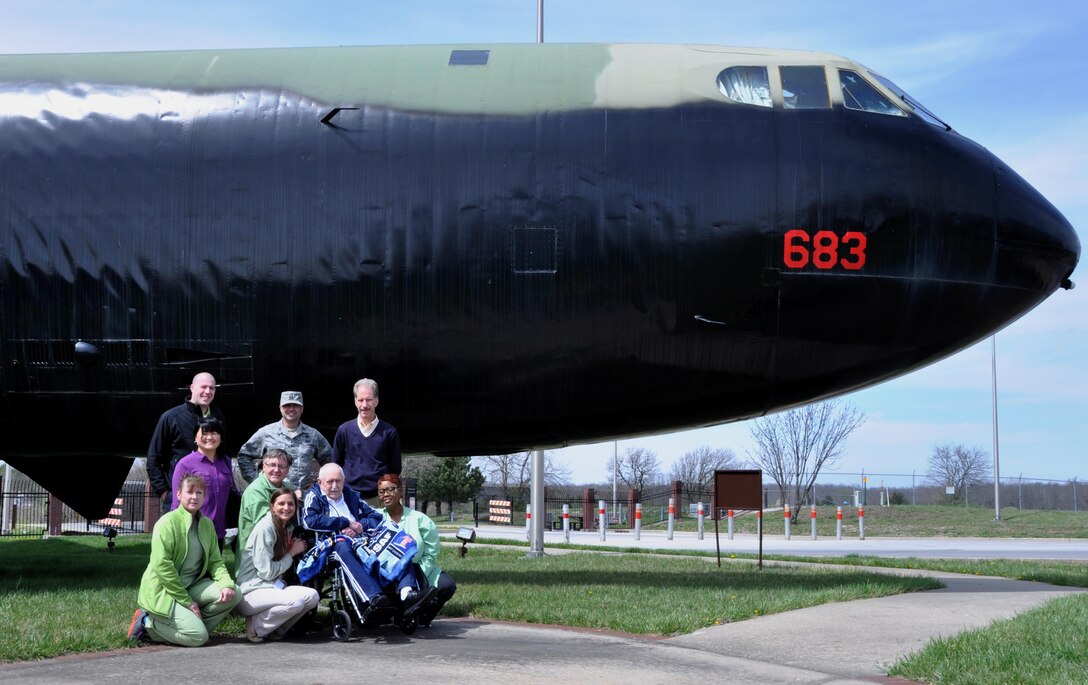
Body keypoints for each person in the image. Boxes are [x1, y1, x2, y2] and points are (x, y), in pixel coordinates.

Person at [127, 473, 240, 647]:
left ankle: (194, 626)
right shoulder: (167, 523)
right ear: (179, 495)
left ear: (204, 496)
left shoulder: (207, 525)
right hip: (164, 590)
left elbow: (215, 561)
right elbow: (162, 566)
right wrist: (188, 602)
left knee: (234, 593)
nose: (194, 496)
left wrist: (226, 583)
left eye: (199, 493)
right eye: (190, 492)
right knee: (198, 638)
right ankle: (147, 623)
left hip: (192, 586)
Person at [301, 463, 396, 616]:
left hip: (361, 541)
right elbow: (309, 521)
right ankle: (373, 597)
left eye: (338, 481)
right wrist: (344, 522)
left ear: (343, 482)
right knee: (343, 546)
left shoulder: (351, 495)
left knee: (391, 542)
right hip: (331, 545)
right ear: (320, 483)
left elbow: (375, 517)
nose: (334, 486)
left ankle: (403, 595)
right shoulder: (314, 496)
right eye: (329, 481)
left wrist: (359, 526)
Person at [235, 487, 320, 642]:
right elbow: (266, 572)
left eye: (290, 504)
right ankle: (255, 626)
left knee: (312, 597)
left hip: (270, 587)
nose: (286, 508)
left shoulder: (285, 527)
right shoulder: (265, 528)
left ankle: (275, 630)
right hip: (251, 591)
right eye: (281, 503)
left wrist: (289, 547)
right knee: (295, 602)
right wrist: (291, 553)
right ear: (272, 506)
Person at [376, 473, 455, 626]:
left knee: (447, 585)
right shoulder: (375, 518)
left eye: (391, 489)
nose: (386, 494)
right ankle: (398, 612)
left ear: (400, 491)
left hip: (420, 568)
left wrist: (419, 574)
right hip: (387, 573)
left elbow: (431, 553)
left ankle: (423, 616)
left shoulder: (420, 519)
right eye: (381, 491)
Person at [147, 372, 228, 513]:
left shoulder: (219, 418)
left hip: (212, 504)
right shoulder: (171, 418)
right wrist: (165, 493)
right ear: (192, 388)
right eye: (203, 387)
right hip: (179, 500)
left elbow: (222, 455)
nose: (208, 392)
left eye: (212, 388)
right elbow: (153, 459)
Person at [237, 391, 332, 495]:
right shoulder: (266, 432)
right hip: (273, 498)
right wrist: (258, 483)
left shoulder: (313, 435)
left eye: (295, 405)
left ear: (302, 409)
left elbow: (330, 462)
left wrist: (318, 486)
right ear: (280, 408)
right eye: (287, 405)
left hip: (302, 499)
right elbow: (244, 455)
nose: (291, 409)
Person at [170, 416, 240, 547]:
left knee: (214, 567)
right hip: (194, 530)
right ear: (195, 438)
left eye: (214, 433)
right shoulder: (185, 464)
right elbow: (176, 501)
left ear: (221, 437)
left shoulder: (225, 461)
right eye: (205, 433)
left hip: (218, 531)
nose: (209, 437)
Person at [332, 378, 401, 504]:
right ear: (355, 402)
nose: (364, 405)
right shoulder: (344, 430)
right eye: (360, 400)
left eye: (368, 400)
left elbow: (395, 468)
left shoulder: (389, 432)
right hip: (349, 498)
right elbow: (336, 465)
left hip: (378, 500)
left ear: (376, 401)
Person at [236, 449, 294, 573]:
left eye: (282, 466)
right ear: (263, 466)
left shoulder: (286, 487)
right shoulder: (255, 492)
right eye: (272, 465)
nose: (276, 470)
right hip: (255, 562)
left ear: (288, 469)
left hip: (278, 551)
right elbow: (268, 528)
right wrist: (292, 551)